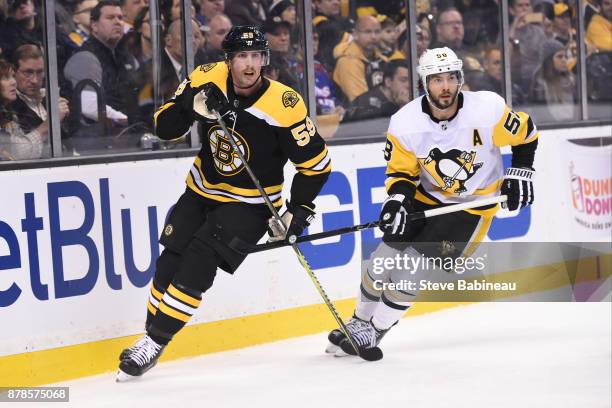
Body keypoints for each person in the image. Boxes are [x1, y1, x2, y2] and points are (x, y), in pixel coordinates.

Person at [116, 25, 331, 380]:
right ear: (228, 60)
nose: (249, 65)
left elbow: (316, 166)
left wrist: (299, 209)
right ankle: (149, 337)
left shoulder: (284, 104)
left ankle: (154, 342)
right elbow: (163, 127)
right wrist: (191, 108)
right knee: (169, 261)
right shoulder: (206, 76)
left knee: (199, 260)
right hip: (201, 190)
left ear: (264, 59)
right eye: (241, 57)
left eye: (256, 56)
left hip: (250, 205)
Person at [325, 47, 538, 357]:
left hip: (471, 209)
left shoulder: (487, 109)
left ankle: (375, 329)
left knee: (412, 271)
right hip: (425, 199)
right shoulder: (405, 121)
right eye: (437, 79)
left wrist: (522, 170)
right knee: (381, 262)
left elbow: (527, 135)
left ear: (461, 79)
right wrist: (398, 199)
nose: (446, 86)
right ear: (424, 83)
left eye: (452, 78)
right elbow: (401, 172)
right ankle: (358, 321)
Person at [10, 45, 70, 136]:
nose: (35, 80)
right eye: (28, 73)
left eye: (39, 72)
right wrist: (52, 121)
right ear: (14, 72)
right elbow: (20, 148)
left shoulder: (51, 98)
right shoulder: (9, 105)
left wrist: (66, 118)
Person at [0, 58, 48, 160]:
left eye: (13, 76)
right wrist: (48, 125)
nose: (13, 82)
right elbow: (17, 152)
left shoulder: (8, 113)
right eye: (6, 78)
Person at [333, 15, 386, 102]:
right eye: (368, 32)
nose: (373, 37)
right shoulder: (347, 62)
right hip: (357, 114)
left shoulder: (383, 60)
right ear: (355, 35)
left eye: (377, 32)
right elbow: (360, 100)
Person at [344, 59, 409, 121]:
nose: (408, 86)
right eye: (403, 80)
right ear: (388, 82)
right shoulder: (369, 108)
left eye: (411, 81)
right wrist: (403, 107)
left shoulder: (394, 102)